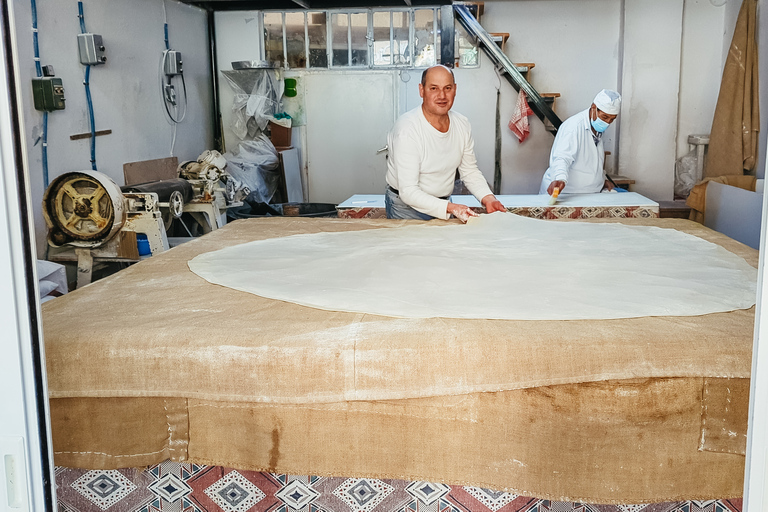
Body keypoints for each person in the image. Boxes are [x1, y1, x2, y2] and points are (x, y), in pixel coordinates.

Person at [385, 65, 506, 222]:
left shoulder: (462, 124)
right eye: (434, 88)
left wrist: (488, 198)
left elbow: (469, 171)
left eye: (447, 88)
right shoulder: (407, 129)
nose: (442, 95)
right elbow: (408, 191)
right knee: (413, 247)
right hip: (405, 206)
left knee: (444, 246)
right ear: (422, 90)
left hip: (443, 202)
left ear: (455, 89)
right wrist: (451, 208)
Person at [539, 89, 622, 196]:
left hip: (588, 193)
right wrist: (559, 178)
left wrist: (602, 179)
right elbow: (562, 157)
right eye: (605, 117)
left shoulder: (597, 128)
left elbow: (593, 160)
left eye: (612, 119)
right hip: (566, 194)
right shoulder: (573, 127)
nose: (607, 122)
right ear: (593, 108)